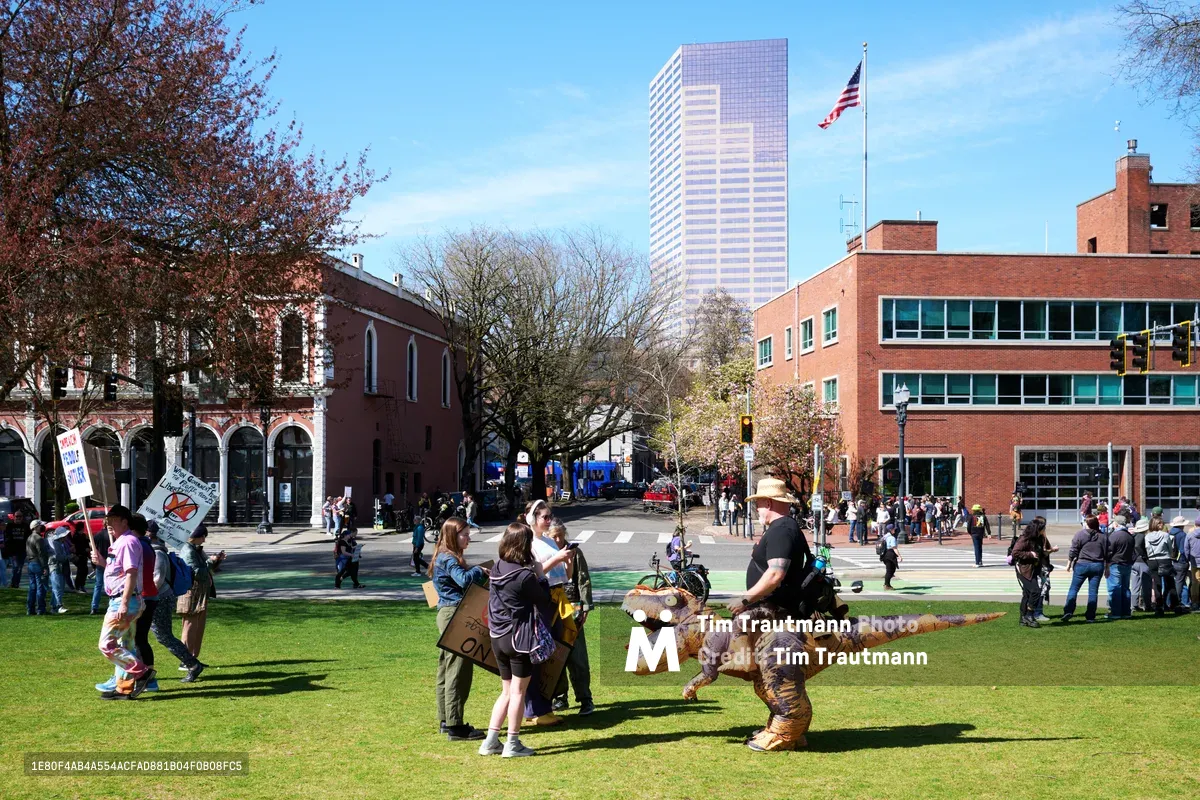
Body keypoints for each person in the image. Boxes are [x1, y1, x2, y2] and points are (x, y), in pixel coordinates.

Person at [480, 521, 554, 758]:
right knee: (519, 693)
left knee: (506, 691)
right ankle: (512, 742)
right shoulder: (523, 576)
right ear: (524, 545)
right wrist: (540, 574)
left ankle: (491, 740)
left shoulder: (499, 567)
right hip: (519, 638)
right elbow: (544, 599)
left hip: (497, 637)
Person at [430, 517, 489, 741]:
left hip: (449, 614)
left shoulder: (445, 556)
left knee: (447, 668)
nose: (468, 537)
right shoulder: (448, 558)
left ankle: (447, 720)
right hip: (455, 615)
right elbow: (464, 580)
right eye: (464, 534)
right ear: (453, 536)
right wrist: (479, 571)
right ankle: (455, 725)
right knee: (458, 670)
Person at [94, 505, 155, 700]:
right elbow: (119, 572)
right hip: (123, 600)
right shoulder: (122, 542)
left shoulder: (128, 542)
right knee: (126, 645)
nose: (108, 523)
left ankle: (142, 673)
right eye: (107, 519)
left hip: (123, 601)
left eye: (113, 519)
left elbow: (131, 573)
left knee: (107, 645)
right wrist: (103, 563)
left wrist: (124, 603)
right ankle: (124, 688)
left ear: (124, 521)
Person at [524, 499, 576, 726]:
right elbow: (529, 574)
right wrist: (556, 558)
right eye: (544, 517)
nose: (548, 521)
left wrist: (569, 560)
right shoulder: (528, 543)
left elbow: (565, 576)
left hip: (556, 598)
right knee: (538, 655)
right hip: (541, 601)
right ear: (532, 519)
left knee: (551, 654)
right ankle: (535, 709)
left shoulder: (548, 541)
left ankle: (543, 706)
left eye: (549, 516)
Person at [729, 478, 811, 618]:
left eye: (758, 504)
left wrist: (744, 600)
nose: (757, 509)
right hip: (770, 609)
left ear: (768, 503)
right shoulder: (783, 526)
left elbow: (775, 574)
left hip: (776, 613)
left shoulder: (781, 530)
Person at [147, 522, 205, 683]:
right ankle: (141, 671)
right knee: (146, 636)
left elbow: (157, 579)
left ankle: (192, 664)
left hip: (160, 598)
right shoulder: (154, 551)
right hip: (157, 598)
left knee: (163, 636)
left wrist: (143, 595)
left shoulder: (157, 553)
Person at [548, 518, 593, 716]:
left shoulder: (574, 552)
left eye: (560, 535)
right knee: (555, 655)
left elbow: (583, 580)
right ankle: (559, 697)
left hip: (573, 608)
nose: (558, 539)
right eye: (554, 536)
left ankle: (585, 698)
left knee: (577, 657)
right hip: (552, 610)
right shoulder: (546, 553)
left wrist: (586, 606)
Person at [176, 524, 225, 661]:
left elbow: (206, 569)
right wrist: (211, 561)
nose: (204, 540)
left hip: (201, 593)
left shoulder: (195, 549)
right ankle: (186, 660)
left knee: (198, 626)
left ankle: (193, 657)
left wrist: (216, 561)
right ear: (196, 536)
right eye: (203, 537)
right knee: (190, 626)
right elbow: (196, 572)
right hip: (191, 594)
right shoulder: (188, 551)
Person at [128, 514, 160, 691]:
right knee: (140, 639)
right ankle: (148, 678)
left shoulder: (137, 545)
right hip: (150, 595)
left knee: (135, 640)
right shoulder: (147, 545)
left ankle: (144, 677)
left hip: (143, 596)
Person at [1061, 515, 1108, 622]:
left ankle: (1068, 611)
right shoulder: (1103, 536)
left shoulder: (1080, 534)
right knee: (1093, 591)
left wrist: (1069, 563)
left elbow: (1073, 550)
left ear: (1087, 524)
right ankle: (1090, 616)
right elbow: (1106, 553)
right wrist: (1107, 567)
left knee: (1074, 589)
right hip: (1097, 565)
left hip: (1082, 564)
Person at [1011, 518, 1051, 628]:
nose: (1044, 530)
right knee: (1035, 591)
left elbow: (1039, 553)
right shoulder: (1025, 538)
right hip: (1024, 570)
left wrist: (1049, 552)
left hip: (1034, 568)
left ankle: (1023, 618)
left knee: (1027, 594)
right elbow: (1015, 552)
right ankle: (1029, 615)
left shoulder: (1038, 538)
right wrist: (1030, 555)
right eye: (1042, 528)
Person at [1144, 518, 1178, 615]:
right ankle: (1175, 605)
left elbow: (1147, 547)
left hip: (1152, 559)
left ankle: (1159, 606)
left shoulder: (1147, 536)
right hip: (1165, 559)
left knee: (1157, 584)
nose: (1162, 525)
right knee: (1170, 582)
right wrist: (1171, 555)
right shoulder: (1165, 535)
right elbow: (1169, 547)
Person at [1105, 515, 1135, 620]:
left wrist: (1106, 565)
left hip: (1116, 564)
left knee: (1115, 588)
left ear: (1116, 524)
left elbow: (1109, 551)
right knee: (1126, 588)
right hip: (1127, 564)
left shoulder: (1114, 536)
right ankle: (1126, 611)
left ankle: (1116, 612)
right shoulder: (1129, 536)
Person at [25, 519, 49, 615]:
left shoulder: (29, 537)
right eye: (40, 526)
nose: (42, 527)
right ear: (35, 527)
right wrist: (45, 567)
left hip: (30, 563)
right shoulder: (39, 539)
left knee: (32, 587)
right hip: (37, 564)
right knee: (40, 587)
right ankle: (40, 609)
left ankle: (30, 609)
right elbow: (41, 554)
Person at [47, 525, 72, 613]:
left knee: (57, 587)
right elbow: (59, 557)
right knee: (58, 587)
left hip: (58, 567)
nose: (66, 537)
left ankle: (54, 607)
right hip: (56, 567)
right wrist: (69, 557)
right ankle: (58, 606)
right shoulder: (56, 543)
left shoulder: (59, 543)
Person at [1130, 518, 1153, 612]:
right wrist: (1144, 555)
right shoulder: (1142, 536)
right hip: (1142, 562)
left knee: (1135, 584)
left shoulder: (1134, 536)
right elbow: (1138, 546)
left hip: (1134, 562)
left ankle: (1134, 605)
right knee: (1146, 584)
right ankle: (1147, 605)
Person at [1168, 516, 1191, 612]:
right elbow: (1183, 550)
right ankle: (1176, 602)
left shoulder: (1170, 533)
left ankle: (1184, 601)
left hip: (1171, 560)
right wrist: (1187, 560)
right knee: (1179, 583)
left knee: (1180, 582)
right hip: (1180, 561)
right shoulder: (1182, 535)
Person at [89, 524, 112, 615]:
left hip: (100, 563)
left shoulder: (98, 535)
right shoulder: (111, 536)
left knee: (98, 585)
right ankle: (111, 605)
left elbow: (91, 544)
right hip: (110, 562)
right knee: (111, 585)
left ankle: (94, 607)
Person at [6, 510, 28, 588]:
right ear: (14, 517)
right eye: (17, 516)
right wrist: (11, 552)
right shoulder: (10, 526)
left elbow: (28, 539)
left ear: (22, 517)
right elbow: (8, 540)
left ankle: (16, 584)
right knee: (15, 567)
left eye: (20, 516)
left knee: (19, 568)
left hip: (22, 551)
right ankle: (13, 583)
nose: (18, 518)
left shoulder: (26, 526)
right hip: (13, 551)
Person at [70, 521, 90, 592]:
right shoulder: (76, 536)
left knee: (84, 570)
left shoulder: (83, 535)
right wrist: (85, 549)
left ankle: (81, 585)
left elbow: (86, 543)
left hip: (84, 555)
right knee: (81, 571)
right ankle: (78, 585)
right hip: (79, 556)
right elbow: (78, 547)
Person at [880, 524, 901, 590]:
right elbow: (894, 548)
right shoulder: (892, 538)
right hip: (890, 554)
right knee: (890, 571)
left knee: (891, 570)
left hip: (884, 555)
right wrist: (899, 556)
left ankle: (886, 583)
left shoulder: (884, 537)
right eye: (893, 529)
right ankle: (887, 585)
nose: (894, 530)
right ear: (890, 530)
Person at [1186, 519, 1200, 612]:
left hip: (1194, 561)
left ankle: (1195, 601)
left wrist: (1188, 559)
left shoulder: (1190, 534)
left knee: (1195, 582)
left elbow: (1186, 549)